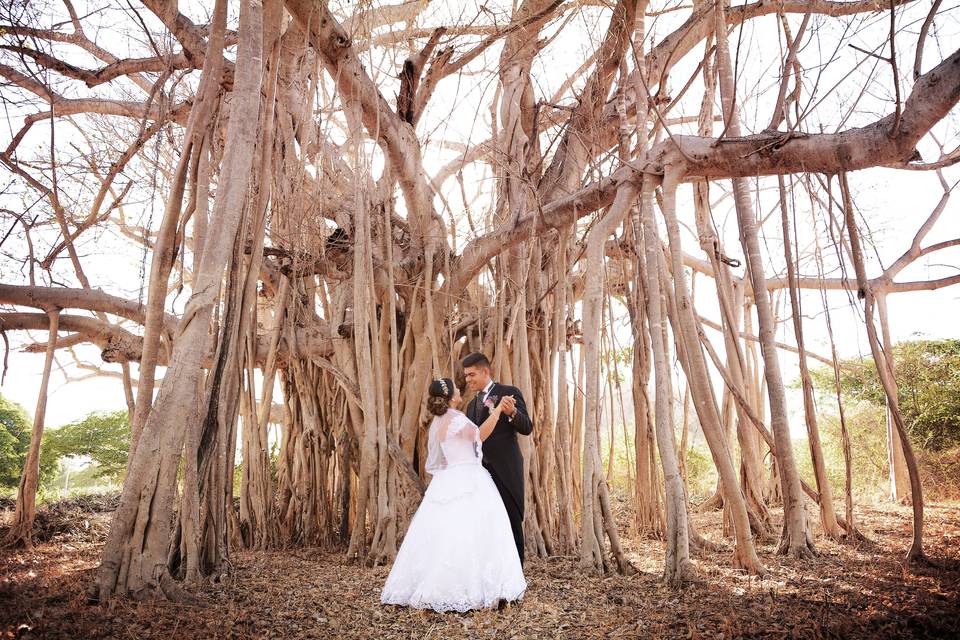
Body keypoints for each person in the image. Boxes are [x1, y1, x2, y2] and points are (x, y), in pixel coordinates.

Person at [380, 378, 526, 612]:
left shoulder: (438, 422)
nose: (460, 390)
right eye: (457, 390)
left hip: (447, 479)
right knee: (474, 531)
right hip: (468, 477)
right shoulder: (456, 418)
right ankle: (471, 588)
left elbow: (445, 457)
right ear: (451, 397)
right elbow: (480, 435)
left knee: (447, 533)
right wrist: (498, 411)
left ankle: (439, 583)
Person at [461, 352, 533, 565]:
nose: (468, 380)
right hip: (481, 476)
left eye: (471, 374)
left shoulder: (508, 392)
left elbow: (527, 427)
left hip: (505, 471)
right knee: (488, 525)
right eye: (465, 376)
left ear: (485, 371)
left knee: (511, 522)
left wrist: (512, 413)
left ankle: (516, 581)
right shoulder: (471, 405)